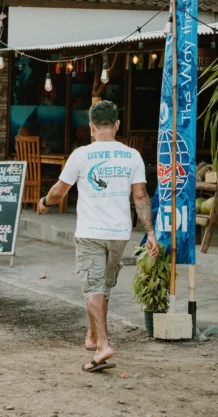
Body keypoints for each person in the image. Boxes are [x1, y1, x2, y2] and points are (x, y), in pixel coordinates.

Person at [37, 100, 158, 373]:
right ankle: (92, 337)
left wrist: (45, 201)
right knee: (100, 287)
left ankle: (104, 345)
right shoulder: (133, 156)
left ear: (91, 127)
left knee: (94, 288)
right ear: (116, 126)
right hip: (119, 235)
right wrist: (149, 232)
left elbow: (59, 191)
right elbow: (140, 197)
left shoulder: (81, 155)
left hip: (91, 233)